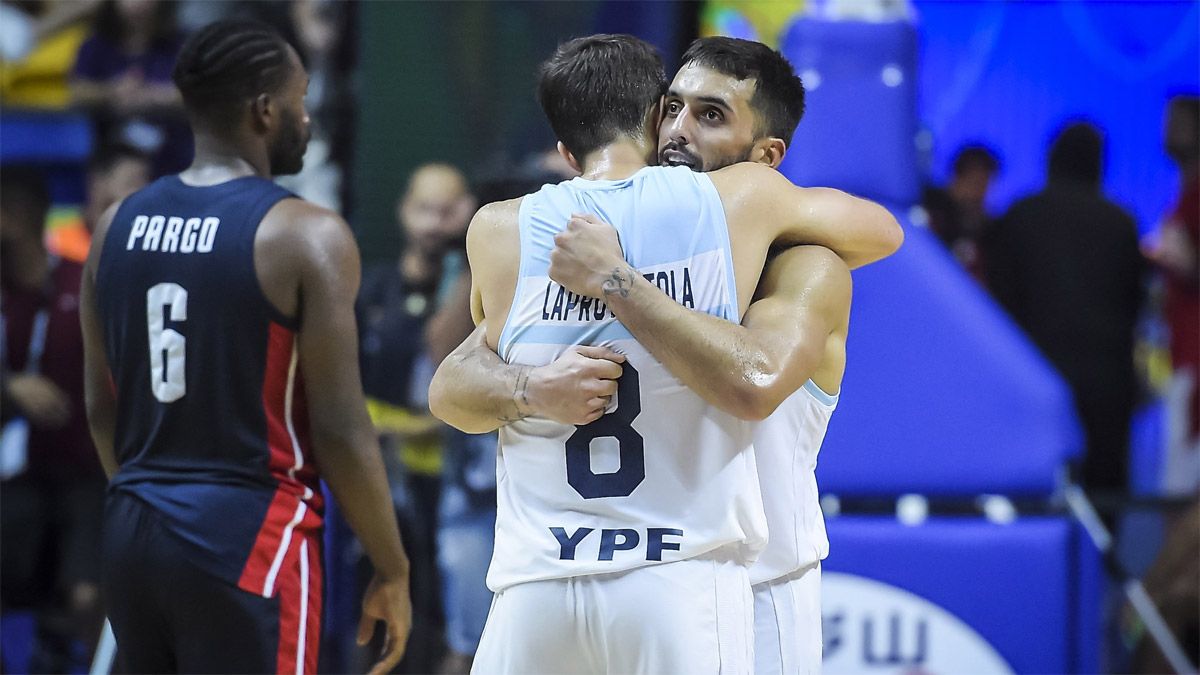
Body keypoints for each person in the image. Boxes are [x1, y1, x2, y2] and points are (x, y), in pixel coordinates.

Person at [430, 34, 901, 673]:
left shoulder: (802, 265)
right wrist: (530, 387)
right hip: (635, 576)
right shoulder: (601, 237)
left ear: (766, 157)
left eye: (711, 115)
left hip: (756, 585)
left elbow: (756, 379)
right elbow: (454, 379)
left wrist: (618, 283)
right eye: (671, 107)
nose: (678, 131)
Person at [79, 20, 411, 674]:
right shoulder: (304, 234)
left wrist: (154, 501)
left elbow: (100, 405)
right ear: (264, 110)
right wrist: (392, 566)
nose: (307, 118)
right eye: (300, 99)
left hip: (132, 525)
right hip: (250, 528)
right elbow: (340, 429)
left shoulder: (115, 225)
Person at [984, 123, 1143, 505]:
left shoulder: (1020, 216)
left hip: (1034, 373)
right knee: (1104, 489)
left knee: (1033, 489)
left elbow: (997, 303)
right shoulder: (1121, 223)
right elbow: (1134, 302)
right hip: (1106, 378)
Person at [355, 162, 474, 673]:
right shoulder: (373, 288)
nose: (433, 223)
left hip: (455, 473)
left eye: (447, 211)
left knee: (443, 601)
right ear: (404, 211)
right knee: (376, 594)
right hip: (382, 472)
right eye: (424, 209)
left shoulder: (473, 284)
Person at [1, 167, 106, 673]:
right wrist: (7, 388)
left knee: (87, 594)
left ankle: (77, 656)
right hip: (13, 482)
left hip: (83, 477)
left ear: (18, 217)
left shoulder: (82, 285)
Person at [920, 144, 999, 277]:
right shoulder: (929, 210)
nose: (980, 193)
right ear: (958, 177)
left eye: (985, 185)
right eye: (976, 182)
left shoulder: (986, 226)